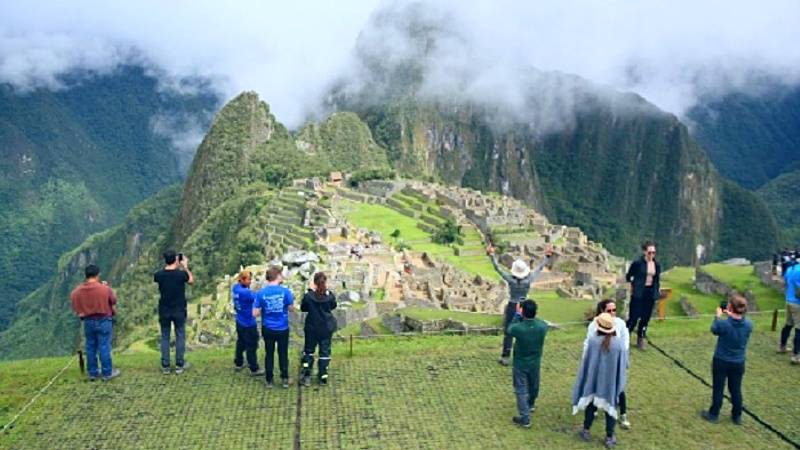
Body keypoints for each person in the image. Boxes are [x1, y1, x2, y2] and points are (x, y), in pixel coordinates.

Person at [488, 244, 552, 365]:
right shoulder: (528, 280)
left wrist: (492, 255)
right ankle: (523, 354)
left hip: (513, 306)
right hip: (525, 305)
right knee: (525, 330)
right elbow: (539, 268)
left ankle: (505, 356)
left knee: (509, 332)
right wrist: (547, 257)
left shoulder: (511, 280)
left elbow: (498, 269)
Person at [573, 313, 628, 448]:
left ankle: (586, 430)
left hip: (595, 380)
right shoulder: (620, 344)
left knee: (591, 405)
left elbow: (587, 361)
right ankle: (609, 436)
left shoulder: (593, 342)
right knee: (611, 408)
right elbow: (625, 364)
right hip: (610, 383)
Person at [701, 294, 753, 425]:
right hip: (738, 362)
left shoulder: (723, 324)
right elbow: (738, 323)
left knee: (718, 388)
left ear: (730, 307)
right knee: (735, 389)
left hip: (721, 360)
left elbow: (714, 329)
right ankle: (737, 415)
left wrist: (718, 316)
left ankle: (713, 414)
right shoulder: (748, 325)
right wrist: (730, 315)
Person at [583, 300, 631, 430]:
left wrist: (621, 356)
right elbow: (589, 343)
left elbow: (625, 340)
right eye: (609, 310)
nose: (612, 313)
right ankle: (593, 413)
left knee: (618, 389)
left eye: (614, 310)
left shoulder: (620, 323)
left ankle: (623, 414)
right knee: (595, 387)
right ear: (602, 311)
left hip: (614, 360)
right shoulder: (594, 325)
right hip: (599, 362)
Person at [70, 264, 121, 382]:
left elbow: (74, 303)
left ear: (86, 275)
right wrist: (106, 287)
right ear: (98, 275)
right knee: (104, 346)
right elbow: (113, 300)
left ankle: (92, 373)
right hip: (104, 320)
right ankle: (107, 373)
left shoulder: (77, 291)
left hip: (88, 321)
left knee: (90, 346)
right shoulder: (104, 288)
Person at [506, 299, 548, 429]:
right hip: (535, 361)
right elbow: (538, 321)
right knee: (534, 385)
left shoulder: (518, 328)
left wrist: (517, 315)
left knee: (521, 389)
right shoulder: (543, 326)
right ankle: (530, 404)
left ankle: (525, 418)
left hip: (520, 362)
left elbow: (510, 329)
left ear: (523, 312)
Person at [253, 266, 295, 388]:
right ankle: (285, 378)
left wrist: (266, 309)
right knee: (283, 353)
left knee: (269, 353)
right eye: (281, 274)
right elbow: (291, 309)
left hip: (268, 328)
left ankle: (269, 380)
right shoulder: (286, 292)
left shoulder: (261, 293)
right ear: (277, 276)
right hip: (282, 327)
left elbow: (254, 313)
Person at [154, 250, 194, 374]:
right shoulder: (181, 274)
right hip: (179, 309)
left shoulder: (159, 275)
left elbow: (163, 274)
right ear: (176, 260)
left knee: (165, 336)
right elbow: (191, 281)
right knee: (180, 335)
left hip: (164, 309)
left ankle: (165, 365)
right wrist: (185, 267)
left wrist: (173, 263)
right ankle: (179, 364)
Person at [300, 272, 338, 387]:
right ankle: (323, 377)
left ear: (314, 283)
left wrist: (310, 292)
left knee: (309, 351)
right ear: (325, 282)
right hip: (326, 328)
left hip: (312, 328)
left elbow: (303, 308)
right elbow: (333, 306)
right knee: (324, 352)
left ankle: (306, 376)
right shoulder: (330, 295)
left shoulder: (309, 296)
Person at [625, 240, 661, 350]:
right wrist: (633, 285)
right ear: (644, 252)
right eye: (649, 252)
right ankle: (625, 338)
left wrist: (656, 291)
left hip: (650, 293)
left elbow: (657, 279)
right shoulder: (637, 263)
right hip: (638, 293)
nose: (651, 255)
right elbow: (629, 275)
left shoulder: (656, 265)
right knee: (634, 317)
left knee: (646, 317)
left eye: (653, 253)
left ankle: (641, 338)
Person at [232, 270, 263, 376]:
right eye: (249, 279)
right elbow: (258, 298)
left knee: (240, 342)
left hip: (239, 321)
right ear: (242, 279)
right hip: (248, 323)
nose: (250, 282)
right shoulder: (246, 293)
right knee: (252, 346)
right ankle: (254, 368)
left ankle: (239, 362)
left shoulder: (235, 288)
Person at [778, 259, 800, 364]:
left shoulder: (790, 268)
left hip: (788, 301)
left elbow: (785, 282)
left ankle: (782, 346)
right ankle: (796, 355)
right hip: (798, 303)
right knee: (799, 329)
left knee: (788, 325)